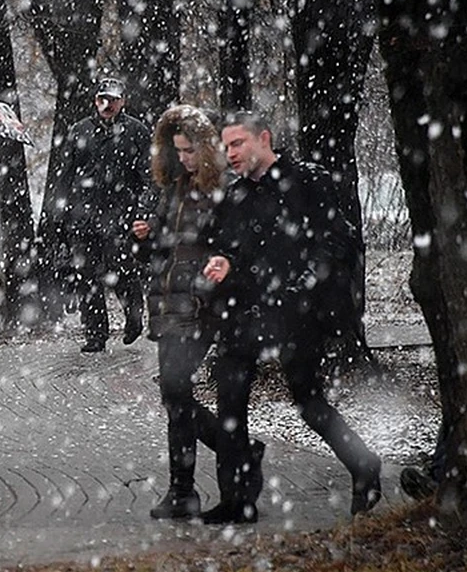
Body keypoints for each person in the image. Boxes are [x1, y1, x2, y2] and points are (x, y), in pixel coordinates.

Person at [200, 111, 381, 524]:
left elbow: (341, 239)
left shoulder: (307, 181)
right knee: (230, 398)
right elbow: (224, 247)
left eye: (237, 144)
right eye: (225, 147)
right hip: (246, 311)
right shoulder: (235, 195)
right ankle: (237, 500)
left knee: (307, 400)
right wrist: (222, 264)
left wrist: (306, 281)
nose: (229, 154)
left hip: (298, 312)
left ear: (263, 139)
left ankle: (364, 464)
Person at [131, 105, 265, 519]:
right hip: (169, 300)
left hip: (202, 303)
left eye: (190, 151)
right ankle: (187, 485)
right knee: (174, 395)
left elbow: (232, 244)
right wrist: (145, 236)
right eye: (178, 151)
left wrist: (208, 274)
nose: (184, 158)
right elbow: (158, 247)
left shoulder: (226, 188)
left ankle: (217, 464)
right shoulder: (173, 187)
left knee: (175, 388)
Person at [57, 77, 150, 353]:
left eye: (112, 99)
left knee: (121, 271)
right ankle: (96, 333)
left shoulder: (137, 131)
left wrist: (142, 211)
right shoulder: (79, 131)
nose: (106, 104)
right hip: (83, 217)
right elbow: (65, 175)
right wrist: (61, 214)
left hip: (120, 217)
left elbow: (148, 176)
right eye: (102, 99)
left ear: (123, 101)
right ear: (94, 100)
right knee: (87, 276)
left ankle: (133, 316)